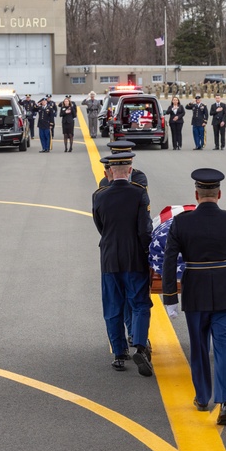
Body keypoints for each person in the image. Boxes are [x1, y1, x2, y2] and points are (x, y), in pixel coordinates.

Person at [162, 169, 226, 426]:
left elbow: (169, 261)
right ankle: (225, 402)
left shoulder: (182, 222)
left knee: (200, 347)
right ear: (219, 194)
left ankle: (202, 397)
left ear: (196, 194)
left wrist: (170, 297)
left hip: (195, 292)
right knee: (225, 347)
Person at [91, 152, 154, 376]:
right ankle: (139, 345)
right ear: (129, 170)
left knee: (112, 307)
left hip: (109, 257)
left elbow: (100, 226)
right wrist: (148, 252)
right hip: (134, 257)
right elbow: (144, 230)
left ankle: (119, 354)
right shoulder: (139, 194)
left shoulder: (99, 196)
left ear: (109, 172)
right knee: (139, 304)